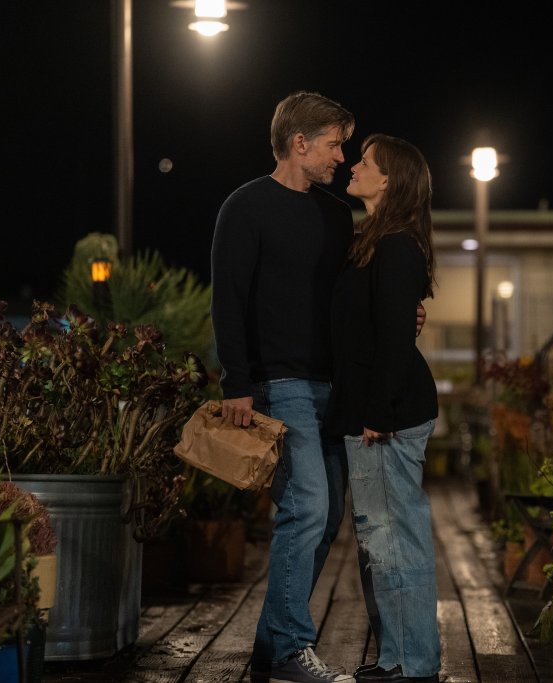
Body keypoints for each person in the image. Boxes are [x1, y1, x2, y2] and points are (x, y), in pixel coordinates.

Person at [210, 91, 357, 683]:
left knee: (326, 516)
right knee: (308, 507)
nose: (342, 158)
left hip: (334, 389)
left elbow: (348, 301)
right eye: (333, 144)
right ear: (299, 144)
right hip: (280, 386)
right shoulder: (245, 208)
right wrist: (237, 385)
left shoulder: (336, 215)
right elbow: (229, 301)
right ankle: (295, 649)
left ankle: (270, 652)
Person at [325, 134, 441, 683]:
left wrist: (376, 414)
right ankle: (398, 657)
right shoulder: (374, 239)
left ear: (390, 180)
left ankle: (413, 664)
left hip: (388, 415)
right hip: (371, 412)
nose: (354, 165)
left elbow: (395, 339)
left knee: (396, 542)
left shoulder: (395, 245)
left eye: (365, 162)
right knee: (380, 541)